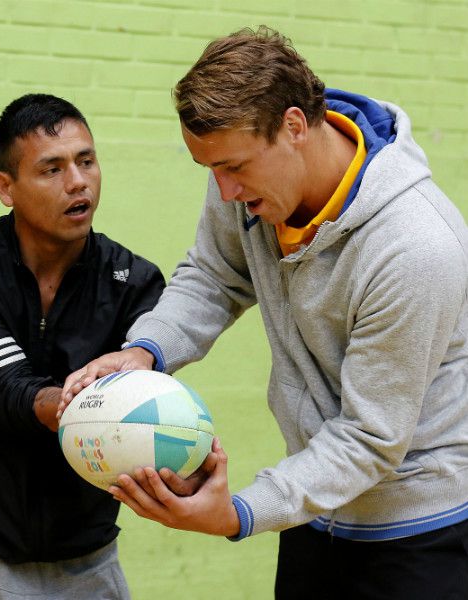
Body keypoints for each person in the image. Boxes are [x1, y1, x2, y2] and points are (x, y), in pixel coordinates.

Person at [61, 27, 468, 599]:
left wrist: (240, 512)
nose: (224, 192)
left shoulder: (415, 248)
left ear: (295, 126)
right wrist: (143, 351)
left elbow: (370, 437)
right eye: (209, 170)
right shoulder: (246, 181)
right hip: (312, 517)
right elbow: (212, 274)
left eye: (233, 167)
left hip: (417, 535)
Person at [0, 93, 166, 599]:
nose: (77, 181)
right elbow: (3, 388)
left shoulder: (135, 281)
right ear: (6, 188)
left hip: (88, 556)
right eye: (51, 169)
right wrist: (83, 403)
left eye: (86, 161)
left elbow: (143, 418)